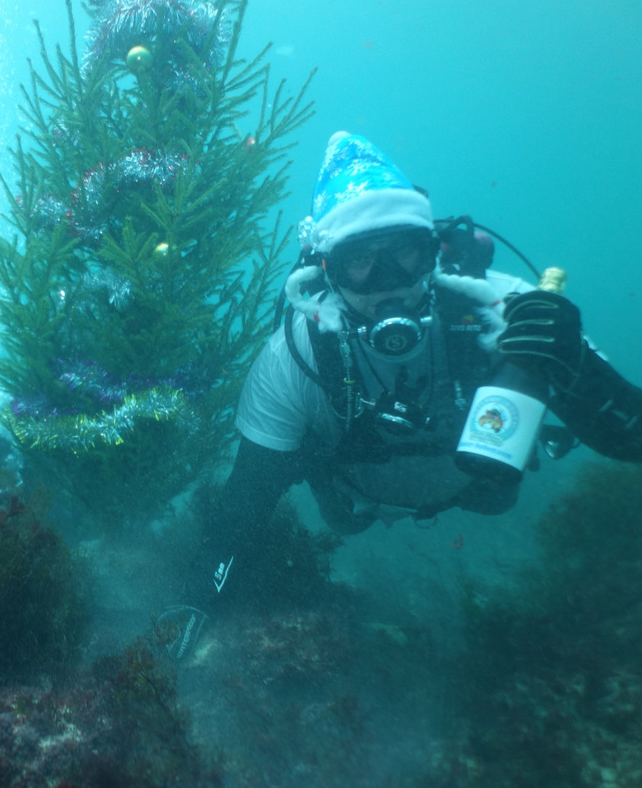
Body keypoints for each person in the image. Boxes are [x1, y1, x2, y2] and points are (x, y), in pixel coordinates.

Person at [165, 131, 642, 659]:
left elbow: (633, 440)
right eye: (360, 262)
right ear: (325, 269)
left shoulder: (508, 312)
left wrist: (578, 370)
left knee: (495, 494)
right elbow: (242, 509)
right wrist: (194, 603)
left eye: (406, 253)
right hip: (354, 501)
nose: (388, 280)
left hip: (477, 487)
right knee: (341, 519)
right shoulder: (292, 358)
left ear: (433, 252)